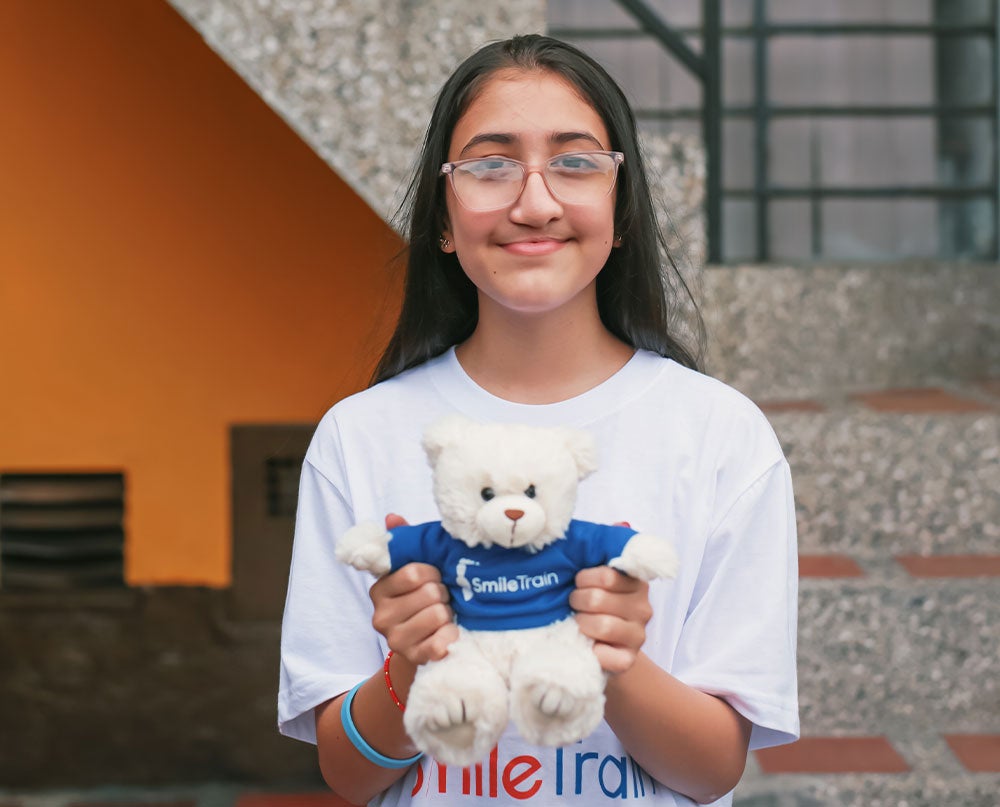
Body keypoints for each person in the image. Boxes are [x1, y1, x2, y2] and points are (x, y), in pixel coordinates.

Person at [279, 34, 798, 807]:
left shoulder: (722, 435)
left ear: (621, 212)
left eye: (575, 161)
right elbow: (348, 773)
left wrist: (613, 654)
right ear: (444, 220)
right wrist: (411, 661)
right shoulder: (360, 437)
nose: (534, 201)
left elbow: (715, 766)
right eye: (490, 164)